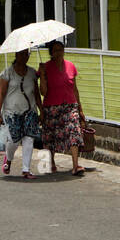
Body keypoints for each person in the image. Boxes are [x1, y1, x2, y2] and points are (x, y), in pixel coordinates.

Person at [38, 40, 88, 175]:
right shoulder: (45, 67)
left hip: (70, 105)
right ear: (51, 53)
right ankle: (51, 163)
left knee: (74, 132)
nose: (58, 53)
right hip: (51, 107)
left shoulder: (70, 66)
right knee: (51, 137)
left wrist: (80, 109)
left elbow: (75, 89)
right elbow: (43, 92)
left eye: (61, 49)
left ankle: (75, 165)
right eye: (55, 50)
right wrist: (42, 75)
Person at [0, 48, 41, 179]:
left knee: (29, 138)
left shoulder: (32, 73)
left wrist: (41, 111)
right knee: (14, 141)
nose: (24, 57)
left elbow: (36, 94)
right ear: (16, 55)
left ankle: (26, 169)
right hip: (12, 112)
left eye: (26, 54)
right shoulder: (7, 73)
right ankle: (8, 158)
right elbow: (1, 94)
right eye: (21, 54)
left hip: (29, 110)